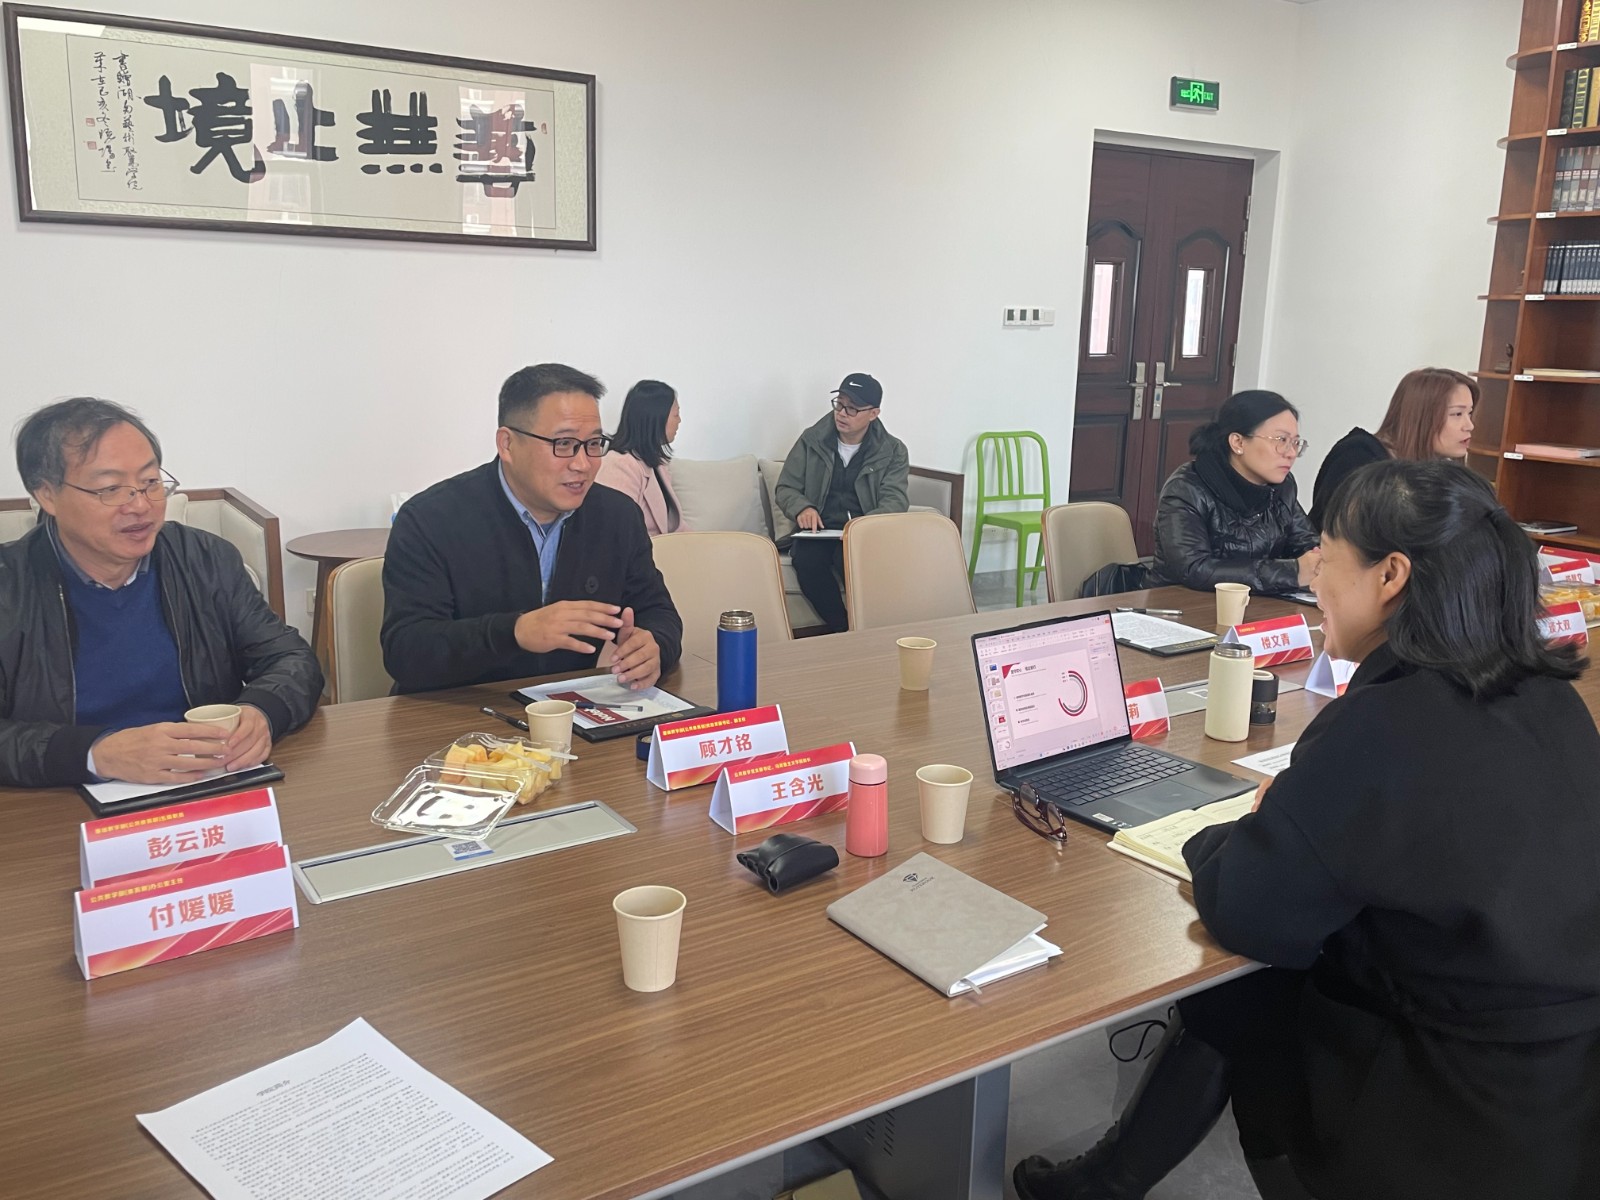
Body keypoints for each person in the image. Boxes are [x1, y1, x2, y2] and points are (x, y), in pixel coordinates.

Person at [1014, 459, 1600, 1200]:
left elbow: (1248, 908)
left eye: (1326, 553)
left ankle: (1113, 1180)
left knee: (1243, 987)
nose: (1312, 573)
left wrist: (1233, 831)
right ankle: (1111, 1180)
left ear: (1391, 576)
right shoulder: (1548, 698)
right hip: (1560, 1103)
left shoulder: (1385, 724)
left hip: (1438, 1117)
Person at [0, 398, 322, 789]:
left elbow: (291, 658)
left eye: (151, 483)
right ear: (47, 494)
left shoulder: (205, 559)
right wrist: (94, 754)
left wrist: (263, 711)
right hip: (61, 801)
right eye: (111, 489)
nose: (140, 505)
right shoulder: (9, 587)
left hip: (209, 783)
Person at [381, 363, 683, 694]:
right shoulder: (430, 520)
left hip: (567, 710)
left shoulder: (617, 516)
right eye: (563, 443)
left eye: (594, 443)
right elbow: (406, 650)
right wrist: (515, 632)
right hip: (453, 713)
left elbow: (657, 612)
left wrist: (654, 645)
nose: (582, 464)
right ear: (507, 444)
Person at [773, 373, 909, 632]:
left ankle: (876, 629)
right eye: (839, 404)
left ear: (873, 413)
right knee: (807, 562)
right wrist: (803, 507)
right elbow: (786, 487)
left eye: (852, 408)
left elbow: (895, 499)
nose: (842, 414)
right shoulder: (811, 440)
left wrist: (863, 527)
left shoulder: (893, 450)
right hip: (818, 531)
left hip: (860, 532)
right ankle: (844, 630)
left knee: (854, 562)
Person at [1148, 389, 1320, 594]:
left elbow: (1306, 543)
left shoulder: (1282, 487)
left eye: (1295, 443)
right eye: (1281, 440)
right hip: (1181, 602)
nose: (1291, 453)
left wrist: (1319, 560)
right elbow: (1195, 569)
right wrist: (1292, 572)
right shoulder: (1186, 489)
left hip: (1258, 604)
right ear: (1238, 442)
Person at [1308, 367, 1477, 530]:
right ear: (1421, 416)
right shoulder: (1358, 457)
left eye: (1469, 413)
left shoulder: (1438, 474)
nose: (1469, 426)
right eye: (1457, 414)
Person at [594, 379, 688, 535]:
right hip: (640, 549)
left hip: (666, 547)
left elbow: (675, 527)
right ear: (657, 418)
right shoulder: (619, 465)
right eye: (676, 414)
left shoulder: (657, 464)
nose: (679, 421)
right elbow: (616, 530)